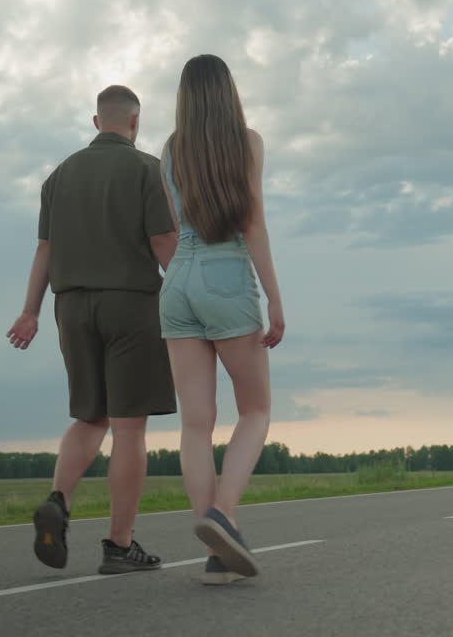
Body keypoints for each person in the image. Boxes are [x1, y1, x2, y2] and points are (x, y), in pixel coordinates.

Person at [7, 85, 179, 575]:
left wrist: (29, 312)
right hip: (131, 306)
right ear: (135, 122)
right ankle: (119, 546)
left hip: (70, 308)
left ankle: (58, 500)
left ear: (96, 121)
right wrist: (190, 294)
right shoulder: (147, 170)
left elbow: (45, 249)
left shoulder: (58, 176)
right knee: (129, 426)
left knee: (90, 417)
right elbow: (162, 241)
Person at [158, 54, 285, 585]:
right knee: (255, 409)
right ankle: (224, 516)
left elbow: (175, 225)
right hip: (226, 274)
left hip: (177, 280)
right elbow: (252, 225)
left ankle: (216, 552)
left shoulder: (170, 149)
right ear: (228, 91)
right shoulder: (247, 141)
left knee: (195, 423)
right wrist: (274, 300)